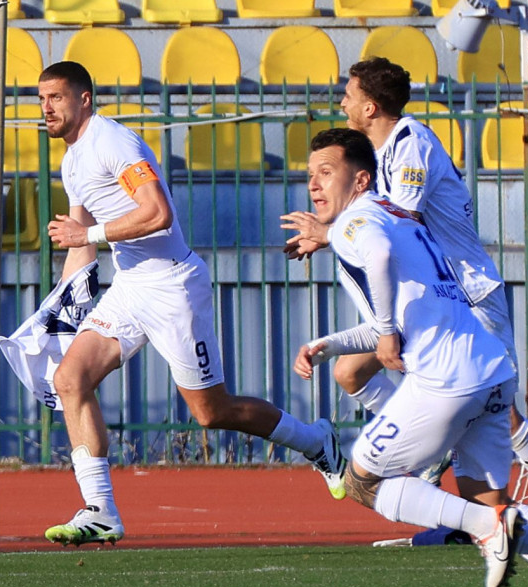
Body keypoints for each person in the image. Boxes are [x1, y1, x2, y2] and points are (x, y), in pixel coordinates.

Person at [293, 128, 528, 587]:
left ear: (360, 179)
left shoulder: (354, 222)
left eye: (327, 172)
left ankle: (489, 528)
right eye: (310, 175)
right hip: (490, 370)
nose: (315, 185)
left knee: (361, 482)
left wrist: (382, 332)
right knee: (490, 501)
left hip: (447, 380)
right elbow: (413, 314)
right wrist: (334, 344)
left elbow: (380, 270)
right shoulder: (402, 217)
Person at [282, 57, 528, 547]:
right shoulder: (377, 156)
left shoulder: (411, 143)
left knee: (503, 411)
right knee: (349, 372)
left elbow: (400, 221)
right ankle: (436, 454)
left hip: (467, 293)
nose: (341, 103)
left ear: (370, 106)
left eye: (348, 94)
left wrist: (329, 233)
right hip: (428, 300)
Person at [38, 61, 345, 547]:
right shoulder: (72, 160)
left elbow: (157, 213)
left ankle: (315, 441)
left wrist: (88, 234)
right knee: (69, 379)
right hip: (131, 285)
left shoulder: (113, 142)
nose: (46, 108)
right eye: (41, 99)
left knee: (211, 412)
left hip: (172, 286)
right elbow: (81, 243)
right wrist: (56, 310)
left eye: (55, 97)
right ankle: (101, 511)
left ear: (84, 99)